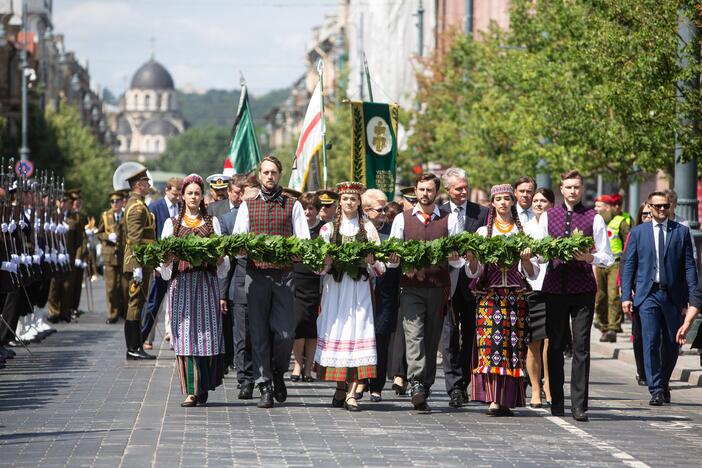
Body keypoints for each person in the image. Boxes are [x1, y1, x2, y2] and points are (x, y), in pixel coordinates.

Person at [232, 155, 311, 408]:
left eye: (273, 173)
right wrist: (242, 250)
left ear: (280, 175)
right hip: (256, 275)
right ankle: (264, 383)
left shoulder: (292, 205)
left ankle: (278, 371)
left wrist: (297, 252)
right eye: (265, 173)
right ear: (260, 174)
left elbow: (304, 241)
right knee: (258, 333)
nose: (269, 177)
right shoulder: (248, 205)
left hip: (284, 276)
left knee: (286, 333)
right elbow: (237, 240)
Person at [536, 169, 614, 422]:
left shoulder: (594, 217)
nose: (573, 191)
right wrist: (538, 254)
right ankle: (556, 400)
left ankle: (580, 405)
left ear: (582, 189)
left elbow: (607, 257)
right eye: (568, 187)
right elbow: (538, 252)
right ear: (561, 189)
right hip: (555, 287)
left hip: (582, 289)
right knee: (555, 345)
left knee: (581, 347)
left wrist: (589, 257)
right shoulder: (549, 216)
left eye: (577, 187)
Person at [388, 173, 463, 413]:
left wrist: (455, 256)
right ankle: (416, 382)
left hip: (438, 287)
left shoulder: (450, 220)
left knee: (431, 339)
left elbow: (459, 257)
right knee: (414, 335)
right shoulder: (402, 219)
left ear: (437, 192)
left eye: (429, 190)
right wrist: (393, 257)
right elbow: (391, 256)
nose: (424, 194)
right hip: (411, 287)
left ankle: (425, 384)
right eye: (421, 189)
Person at [464, 184, 539, 416]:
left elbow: (533, 272)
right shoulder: (482, 234)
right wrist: (473, 259)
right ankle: (493, 399)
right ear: (493, 203)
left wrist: (526, 259)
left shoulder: (523, 232)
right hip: (490, 298)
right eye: (499, 199)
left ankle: (508, 399)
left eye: (508, 198)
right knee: (490, 347)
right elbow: (473, 272)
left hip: (515, 298)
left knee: (512, 348)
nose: (504, 203)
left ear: (513, 202)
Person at [621, 191, 697, 406]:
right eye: (658, 206)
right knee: (651, 340)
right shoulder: (638, 233)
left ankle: (663, 382)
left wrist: (692, 297)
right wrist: (626, 295)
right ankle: (655, 388)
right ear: (650, 208)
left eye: (665, 206)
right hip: (648, 295)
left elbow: (689, 267)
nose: (662, 209)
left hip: (673, 295)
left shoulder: (681, 232)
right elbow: (629, 265)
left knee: (672, 344)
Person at [160, 174, 230, 407]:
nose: (193, 197)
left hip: (206, 284)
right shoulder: (173, 224)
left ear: (202, 197)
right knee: (184, 336)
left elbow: (223, 261)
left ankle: (204, 384)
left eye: (197, 193)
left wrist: (220, 258)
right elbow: (163, 262)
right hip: (182, 285)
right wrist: (167, 260)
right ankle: (191, 390)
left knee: (206, 335)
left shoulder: (212, 223)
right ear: (183, 196)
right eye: (189, 193)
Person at [315, 182, 384, 411]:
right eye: (345, 199)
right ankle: (340, 387)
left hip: (359, 290)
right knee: (337, 332)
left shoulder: (368, 229)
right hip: (335, 290)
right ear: (339, 202)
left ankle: (352, 393)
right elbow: (318, 267)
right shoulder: (327, 230)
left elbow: (381, 267)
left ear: (359, 202)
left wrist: (372, 261)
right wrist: (325, 263)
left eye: (353, 199)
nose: (349, 203)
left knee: (358, 334)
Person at [439, 167, 488, 408]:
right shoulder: (440, 213)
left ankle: (466, 381)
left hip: (472, 282)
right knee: (449, 336)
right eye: (458, 188)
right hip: (447, 282)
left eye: (466, 187)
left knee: (470, 334)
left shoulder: (482, 213)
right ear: (447, 190)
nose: (463, 191)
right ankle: (454, 387)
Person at [218, 175, 255, 399]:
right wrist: (222, 293)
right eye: (240, 193)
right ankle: (244, 379)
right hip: (237, 284)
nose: (243, 197)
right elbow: (225, 263)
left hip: (264, 282)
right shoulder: (227, 220)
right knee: (241, 335)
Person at [362, 188, 398, 402]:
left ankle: (377, 385)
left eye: (386, 208)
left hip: (385, 292)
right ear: (366, 210)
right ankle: (360, 381)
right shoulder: (358, 230)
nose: (385, 213)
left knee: (381, 338)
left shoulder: (392, 230)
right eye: (380, 209)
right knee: (362, 337)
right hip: (362, 290)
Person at [141, 177, 182, 349]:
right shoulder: (155, 207)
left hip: (178, 266)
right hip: (160, 265)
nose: (177, 196)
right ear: (167, 190)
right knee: (153, 303)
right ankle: (142, 337)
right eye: (174, 193)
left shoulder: (182, 207)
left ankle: (177, 339)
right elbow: (151, 237)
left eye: (179, 193)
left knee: (177, 305)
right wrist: (157, 263)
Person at [122, 165, 157, 361]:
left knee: (138, 302)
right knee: (135, 304)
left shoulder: (139, 204)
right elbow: (134, 240)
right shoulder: (136, 207)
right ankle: (133, 347)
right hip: (138, 262)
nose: (149, 184)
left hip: (143, 262)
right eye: (146, 182)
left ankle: (135, 346)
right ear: (138, 185)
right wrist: (137, 267)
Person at [525, 187, 555, 408]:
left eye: (543, 201)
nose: (538, 204)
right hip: (531, 287)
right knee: (533, 341)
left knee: (550, 341)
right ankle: (535, 387)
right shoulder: (524, 227)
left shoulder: (556, 226)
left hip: (554, 288)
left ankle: (549, 385)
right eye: (535, 200)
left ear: (551, 204)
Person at [291, 192, 324, 382]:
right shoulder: (295, 228)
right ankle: (297, 364)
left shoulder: (323, 229)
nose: (307, 212)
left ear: (317, 210)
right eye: (304, 208)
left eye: (311, 208)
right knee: (298, 324)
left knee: (313, 327)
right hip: (297, 279)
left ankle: (308, 368)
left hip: (316, 281)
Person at [619, 203, 653, 386]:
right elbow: (626, 263)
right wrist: (626, 291)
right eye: (645, 214)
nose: (648, 217)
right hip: (638, 290)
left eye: (651, 213)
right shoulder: (636, 234)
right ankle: (642, 371)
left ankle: (657, 375)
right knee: (639, 335)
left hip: (660, 292)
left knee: (660, 336)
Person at [594, 194, 629, 342]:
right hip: (598, 263)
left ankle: (612, 328)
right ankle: (603, 325)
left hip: (615, 263)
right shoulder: (595, 221)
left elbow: (628, 243)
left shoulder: (621, 221)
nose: (596, 209)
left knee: (613, 295)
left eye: (599, 206)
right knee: (600, 296)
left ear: (607, 207)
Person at [96, 191, 128, 324]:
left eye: (117, 201)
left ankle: (125, 313)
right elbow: (99, 233)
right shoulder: (106, 216)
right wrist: (107, 237)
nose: (114, 204)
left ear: (122, 202)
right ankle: (112, 314)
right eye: (112, 202)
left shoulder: (126, 215)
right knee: (111, 287)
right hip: (110, 255)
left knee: (125, 286)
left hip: (124, 255)